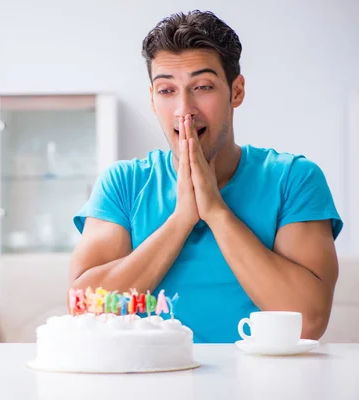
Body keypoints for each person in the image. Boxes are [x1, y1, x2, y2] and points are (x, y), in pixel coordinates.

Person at [68, 10, 343, 343]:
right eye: (166, 90)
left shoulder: (293, 179)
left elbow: (308, 321)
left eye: (202, 86)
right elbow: (83, 308)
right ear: (153, 101)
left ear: (236, 91)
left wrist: (215, 211)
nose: (185, 109)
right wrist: (180, 220)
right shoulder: (124, 184)